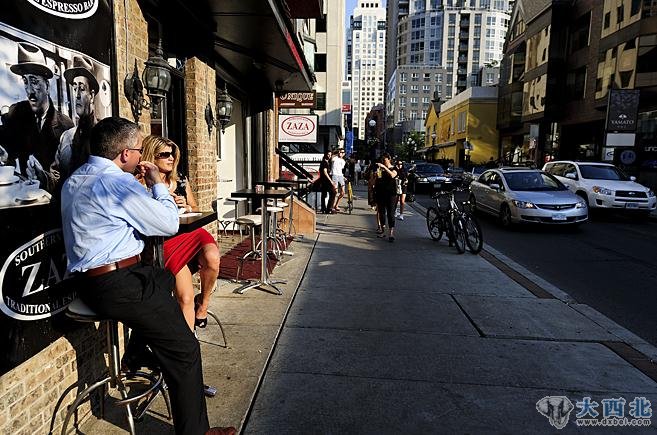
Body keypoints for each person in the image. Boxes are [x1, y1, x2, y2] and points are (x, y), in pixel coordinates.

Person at [60, 117, 234, 435]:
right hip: (118, 284)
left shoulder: (75, 179)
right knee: (185, 350)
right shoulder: (118, 183)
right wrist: (156, 183)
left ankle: (139, 349)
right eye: (140, 151)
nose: (144, 158)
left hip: (89, 282)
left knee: (162, 277)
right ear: (125, 154)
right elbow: (167, 224)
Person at [141, 135, 220, 331]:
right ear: (152, 156)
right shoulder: (142, 185)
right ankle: (187, 345)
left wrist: (187, 205)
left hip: (190, 234)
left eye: (173, 154)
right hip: (165, 241)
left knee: (212, 257)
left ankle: (203, 304)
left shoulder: (181, 180)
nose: (171, 158)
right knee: (185, 297)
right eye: (165, 154)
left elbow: (194, 207)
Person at [0, 42, 73, 190]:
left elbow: (68, 178)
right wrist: (5, 157)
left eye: (34, 81)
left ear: (47, 85)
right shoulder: (17, 113)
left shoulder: (65, 125)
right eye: (26, 82)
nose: (29, 91)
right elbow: (8, 151)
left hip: (51, 200)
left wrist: (43, 176)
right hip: (23, 197)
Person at [50, 55, 99, 185]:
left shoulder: (103, 134)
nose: (77, 95)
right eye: (74, 88)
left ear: (92, 95)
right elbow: (57, 176)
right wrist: (42, 175)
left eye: (82, 89)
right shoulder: (66, 136)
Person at [374, 153, 398, 242]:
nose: (383, 161)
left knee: (391, 213)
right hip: (380, 193)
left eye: (384, 160)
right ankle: (383, 231)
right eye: (382, 160)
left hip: (391, 194)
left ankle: (391, 233)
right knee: (381, 212)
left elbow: (392, 175)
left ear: (389, 159)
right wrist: (376, 175)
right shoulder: (381, 169)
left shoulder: (394, 168)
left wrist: (385, 168)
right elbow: (377, 179)